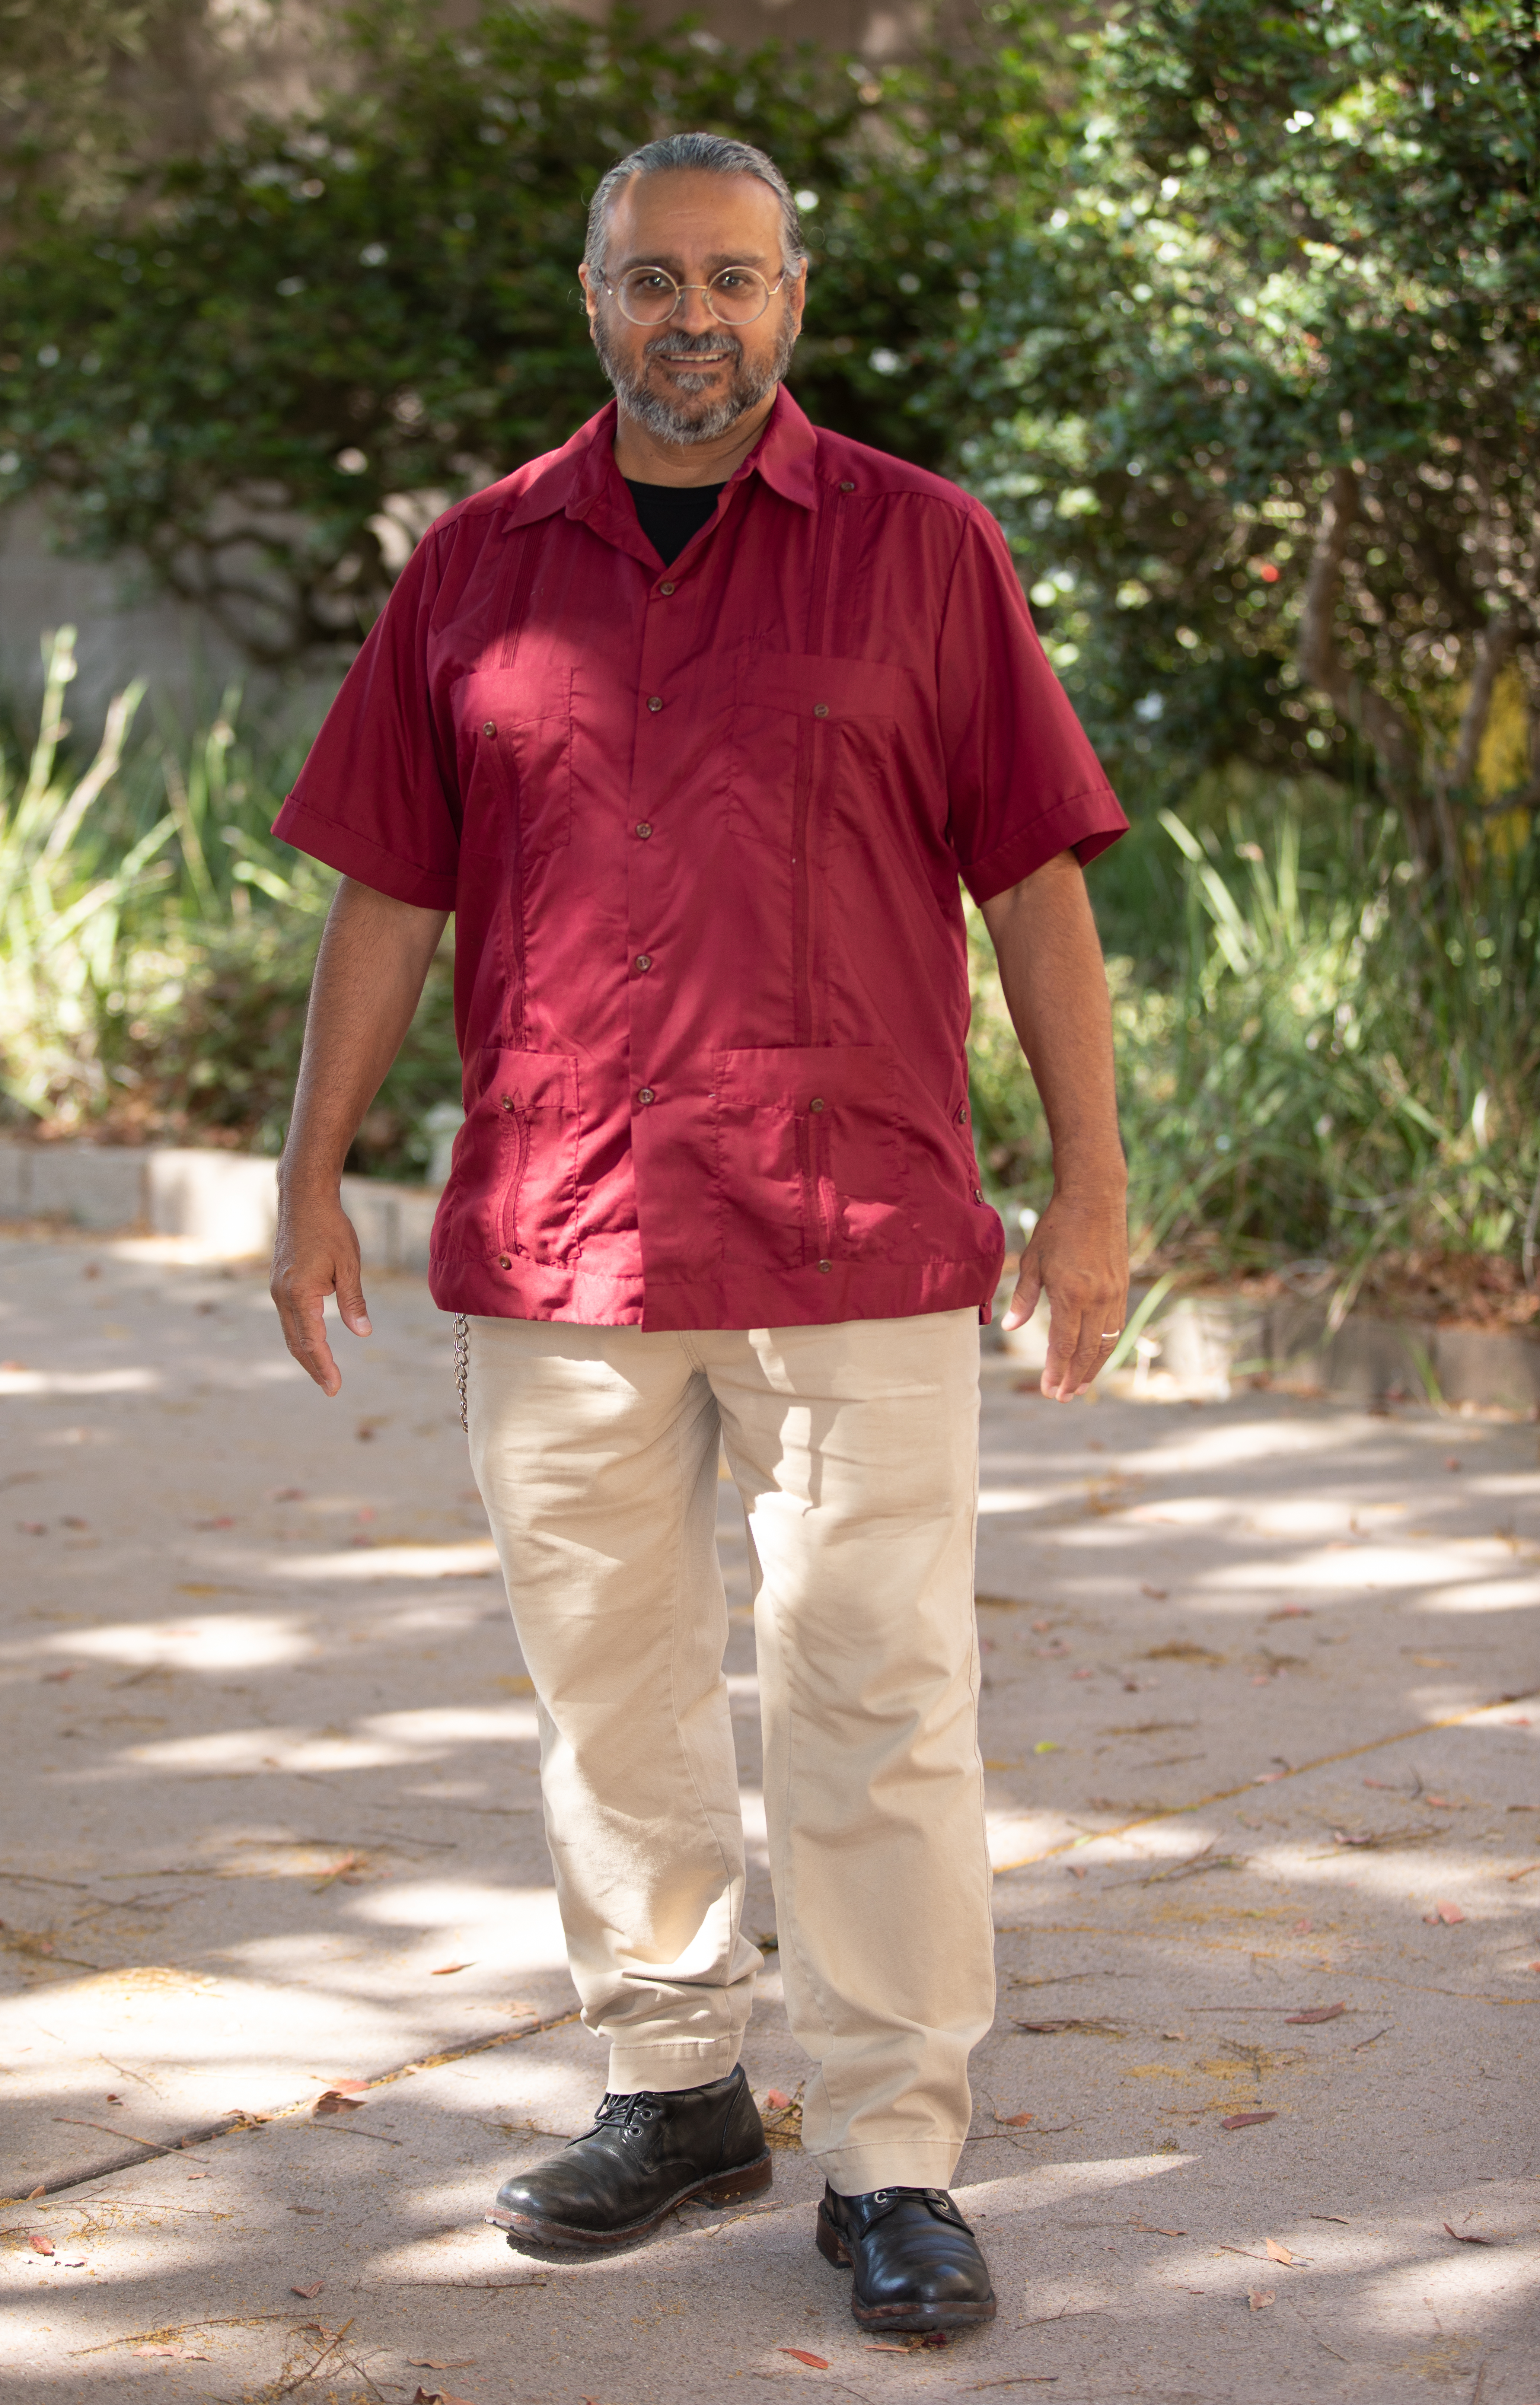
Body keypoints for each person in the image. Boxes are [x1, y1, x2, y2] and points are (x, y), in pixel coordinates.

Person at [269, 131, 1128, 2335]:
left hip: (851, 1229)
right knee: (610, 1698)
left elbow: (1037, 876)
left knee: (880, 1699)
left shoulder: (925, 554)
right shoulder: (475, 567)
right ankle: (675, 2084)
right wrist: (306, 1179)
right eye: (653, 277)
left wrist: (1096, 1192)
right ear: (593, 303)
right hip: (564, 1234)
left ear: (793, 301)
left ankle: (897, 2155)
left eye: (734, 277)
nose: (695, 315)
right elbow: (389, 884)